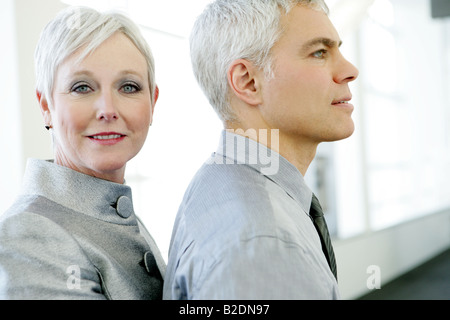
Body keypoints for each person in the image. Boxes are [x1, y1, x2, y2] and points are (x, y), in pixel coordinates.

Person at [163, 0, 359, 299]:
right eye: (320, 52)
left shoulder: (218, 182)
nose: (349, 70)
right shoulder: (266, 245)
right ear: (249, 82)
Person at [0, 6, 165, 300]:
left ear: (152, 101)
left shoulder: (122, 215)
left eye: (128, 87)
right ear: (46, 106)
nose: (108, 110)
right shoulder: (33, 236)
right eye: (82, 87)